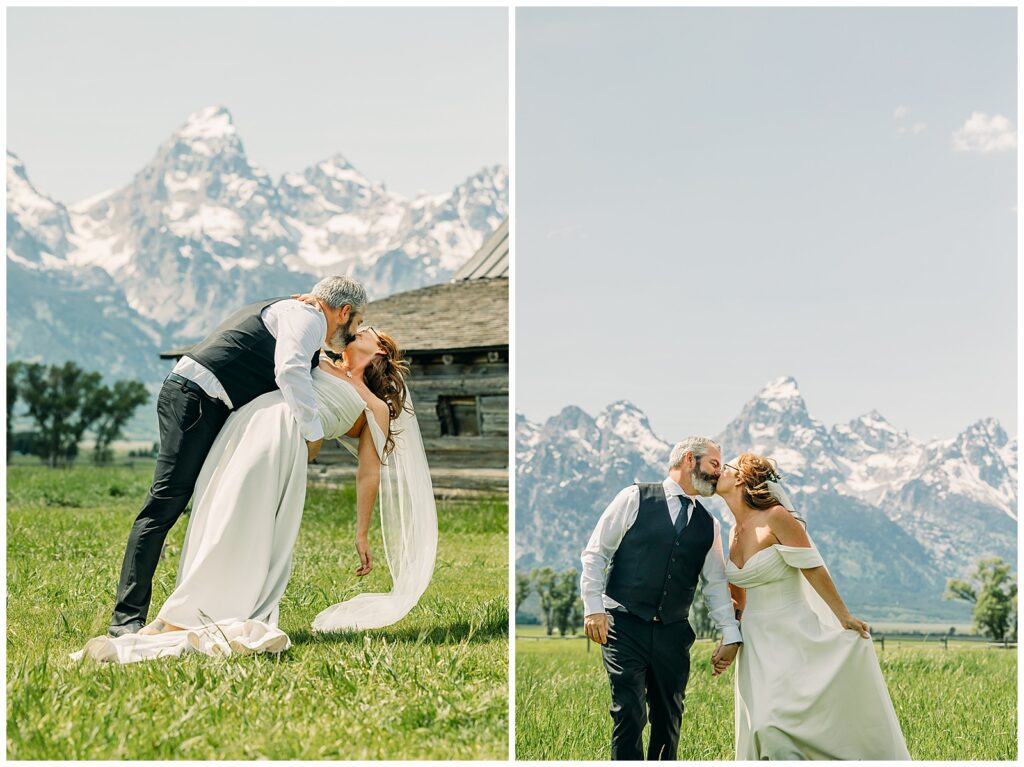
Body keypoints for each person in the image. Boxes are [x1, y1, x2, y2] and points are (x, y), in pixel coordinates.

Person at [73, 327, 438, 663]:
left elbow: (368, 474)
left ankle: (198, 613)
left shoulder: (374, 406)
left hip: (280, 437)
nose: (358, 328)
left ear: (380, 351)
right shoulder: (319, 359)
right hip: (246, 423)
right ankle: (182, 609)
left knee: (243, 521)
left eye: (368, 331)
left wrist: (361, 532)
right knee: (218, 512)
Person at [107, 276, 367, 638]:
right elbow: (289, 370)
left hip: (208, 404)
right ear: (343, 311)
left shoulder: (303, 316)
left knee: (210, 501)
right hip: (194, 400)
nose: (354, 333)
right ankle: (126, 620)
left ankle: (196, 604)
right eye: (355, 323)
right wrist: (314, 434)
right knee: (166, 503)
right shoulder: (306, 318)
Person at [717, 453, 910, 760]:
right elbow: (738, 596)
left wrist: (843, 616)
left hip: (791, 633)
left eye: (725, 467)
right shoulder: (732, 532)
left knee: (773, 725)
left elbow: (813, 568)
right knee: (760, 727)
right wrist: (731, 637)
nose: (718, 472)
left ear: (740, 478)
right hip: (756, 641)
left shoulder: (777, 517)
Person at [580, 436, 742, 761]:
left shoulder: (709, 526)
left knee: (669, 718)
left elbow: (714, 585)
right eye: (713, 464)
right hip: (623, 625)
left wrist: (731, 633)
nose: (718, 472)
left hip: (673, 633)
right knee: (628, 711)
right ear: (688, 460)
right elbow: (596, 554)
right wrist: (593, 609)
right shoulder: (634, 497)